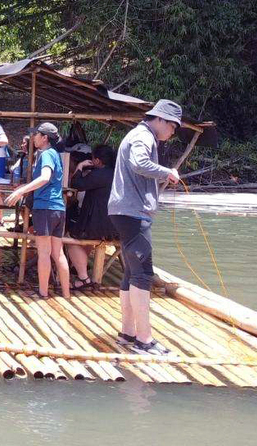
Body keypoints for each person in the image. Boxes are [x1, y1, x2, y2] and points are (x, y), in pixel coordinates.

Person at [108, 99, 183, 355]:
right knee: (142, 274)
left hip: (123, 211)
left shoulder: (137, 134)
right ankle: (144, 340)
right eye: (173, 126)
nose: (173, 132)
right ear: (160, 119)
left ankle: (127, 333)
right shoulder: (144, 136)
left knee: (131, 272)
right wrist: (167, 172)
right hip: (133, 212)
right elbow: (139, 163)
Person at [5, 123, 69, 299]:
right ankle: (66, 294)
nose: (34, 138)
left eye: (37, 135)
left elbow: (45, 177)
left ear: (45, 138)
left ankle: (43, 293)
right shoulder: (55, 154)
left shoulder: (46, 154)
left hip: (45, 207)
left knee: (44, 253)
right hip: (58, 208)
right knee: (58, 253)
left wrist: (21, 191)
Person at [66, 144, 119, 290]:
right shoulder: (117, 174)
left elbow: (77, 184)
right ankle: (79, 268)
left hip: (99, 224)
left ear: (97, 161)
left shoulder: (99, 174)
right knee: (85, 238)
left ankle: (84, 278)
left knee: (70, 240)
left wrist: (80, 166)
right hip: (115, 226)